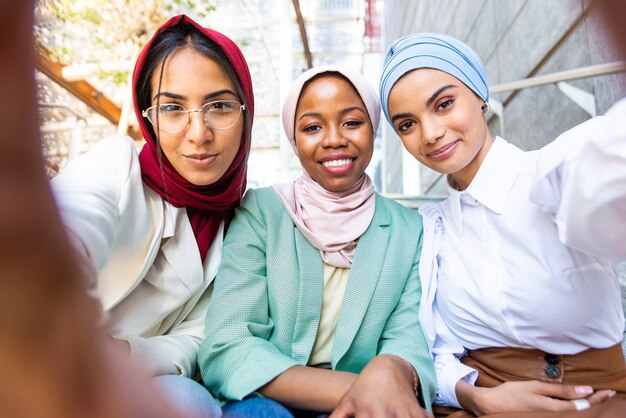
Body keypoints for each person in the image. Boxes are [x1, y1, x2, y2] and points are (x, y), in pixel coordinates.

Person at [379, 32, 626, 417]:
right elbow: (432, 350)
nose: (430, 134)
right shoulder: (428, 230)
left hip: (595, 402)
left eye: (444, 104)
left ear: (480, 95)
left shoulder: (549, 175)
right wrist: (472, 396)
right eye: (407, 124)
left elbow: (606, 166)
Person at [198, 65, 436, 418]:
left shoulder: (408, 229)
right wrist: (369, 389)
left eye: (352, 122)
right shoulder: (262, 213)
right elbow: (229, 345)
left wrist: (394, 376)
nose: (334, 139)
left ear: (374, 129)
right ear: (294, 140)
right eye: (312, 127)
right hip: (270, 398)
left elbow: (407, 339)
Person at [50, 14, 254, 418]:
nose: (199, 133)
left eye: (219, 105)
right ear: (149, 119)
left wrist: (119, 354)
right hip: (48, 354)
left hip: (135, 376)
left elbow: (199, 340)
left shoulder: (242, 222)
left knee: (189, 402)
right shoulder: (116, 166)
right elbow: (63, 238)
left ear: (246, 111)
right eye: (173, 108)